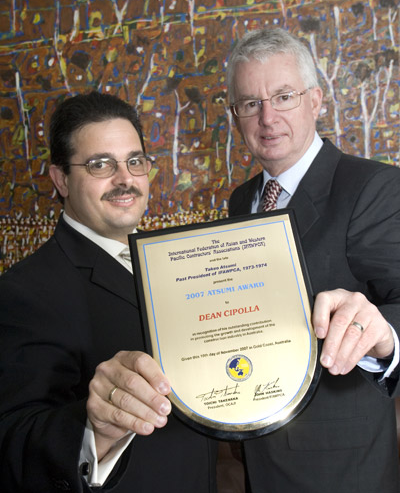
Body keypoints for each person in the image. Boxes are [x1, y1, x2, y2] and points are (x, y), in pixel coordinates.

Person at [0, 91, 218, 492]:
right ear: (61, 180)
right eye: (100, 164)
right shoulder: (24, 291)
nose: (125, 180)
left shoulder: (177, 264)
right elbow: (12, 440)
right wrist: (94, 427)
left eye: (134, 161)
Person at [227, 27, 400, 493]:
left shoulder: (373, 188)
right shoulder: (241, 200)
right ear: (235, 116)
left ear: (316, 100)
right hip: (252, 453)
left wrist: (382, 332)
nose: (267, 117)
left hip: (343, 469)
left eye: (283, 96)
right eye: (250, 103)